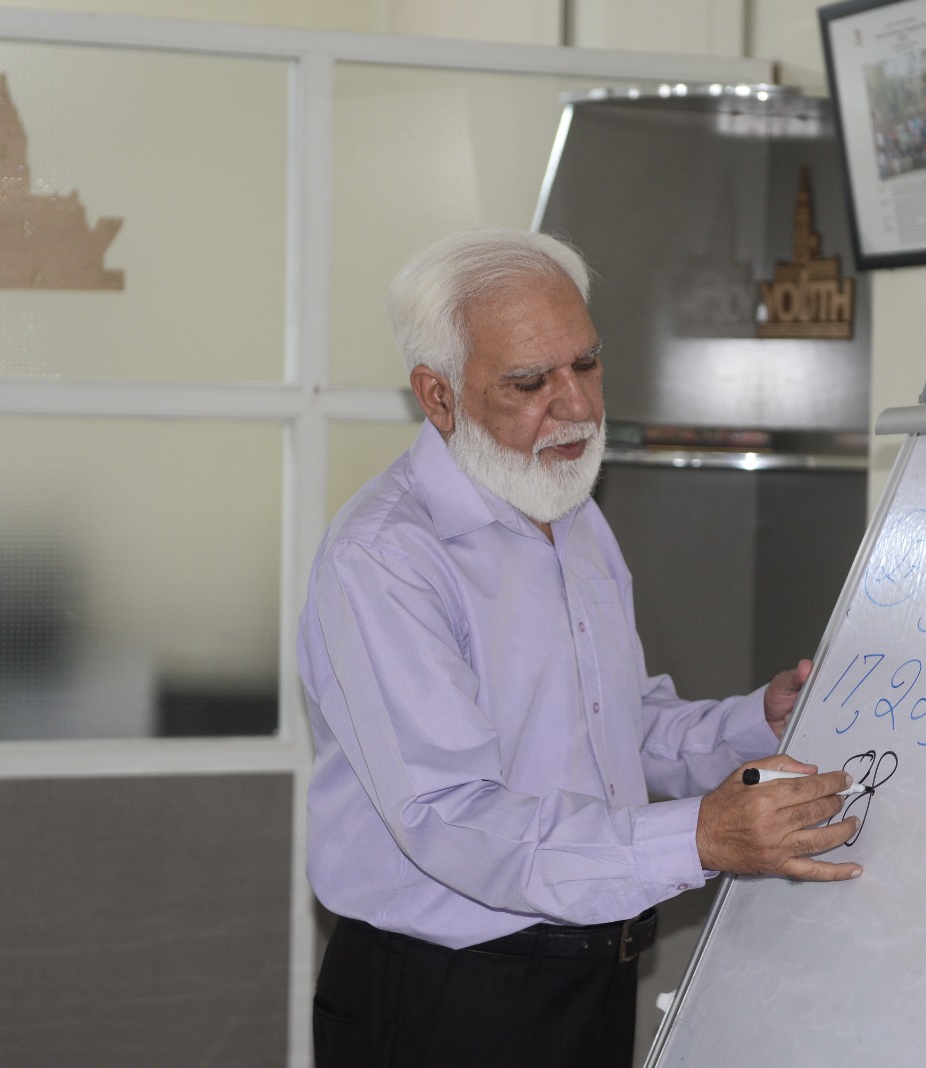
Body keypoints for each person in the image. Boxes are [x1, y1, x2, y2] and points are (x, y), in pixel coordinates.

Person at [298, 228, 860, 1068]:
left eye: (587, 364)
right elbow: (452, 818)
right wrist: (698, 838)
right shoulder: (385, 558)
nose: (577, 406)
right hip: (446, 999)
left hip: (593, 979)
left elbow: (615, 733)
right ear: (438, 397)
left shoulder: (570, 512)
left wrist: (757, 724)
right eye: (530, 382)